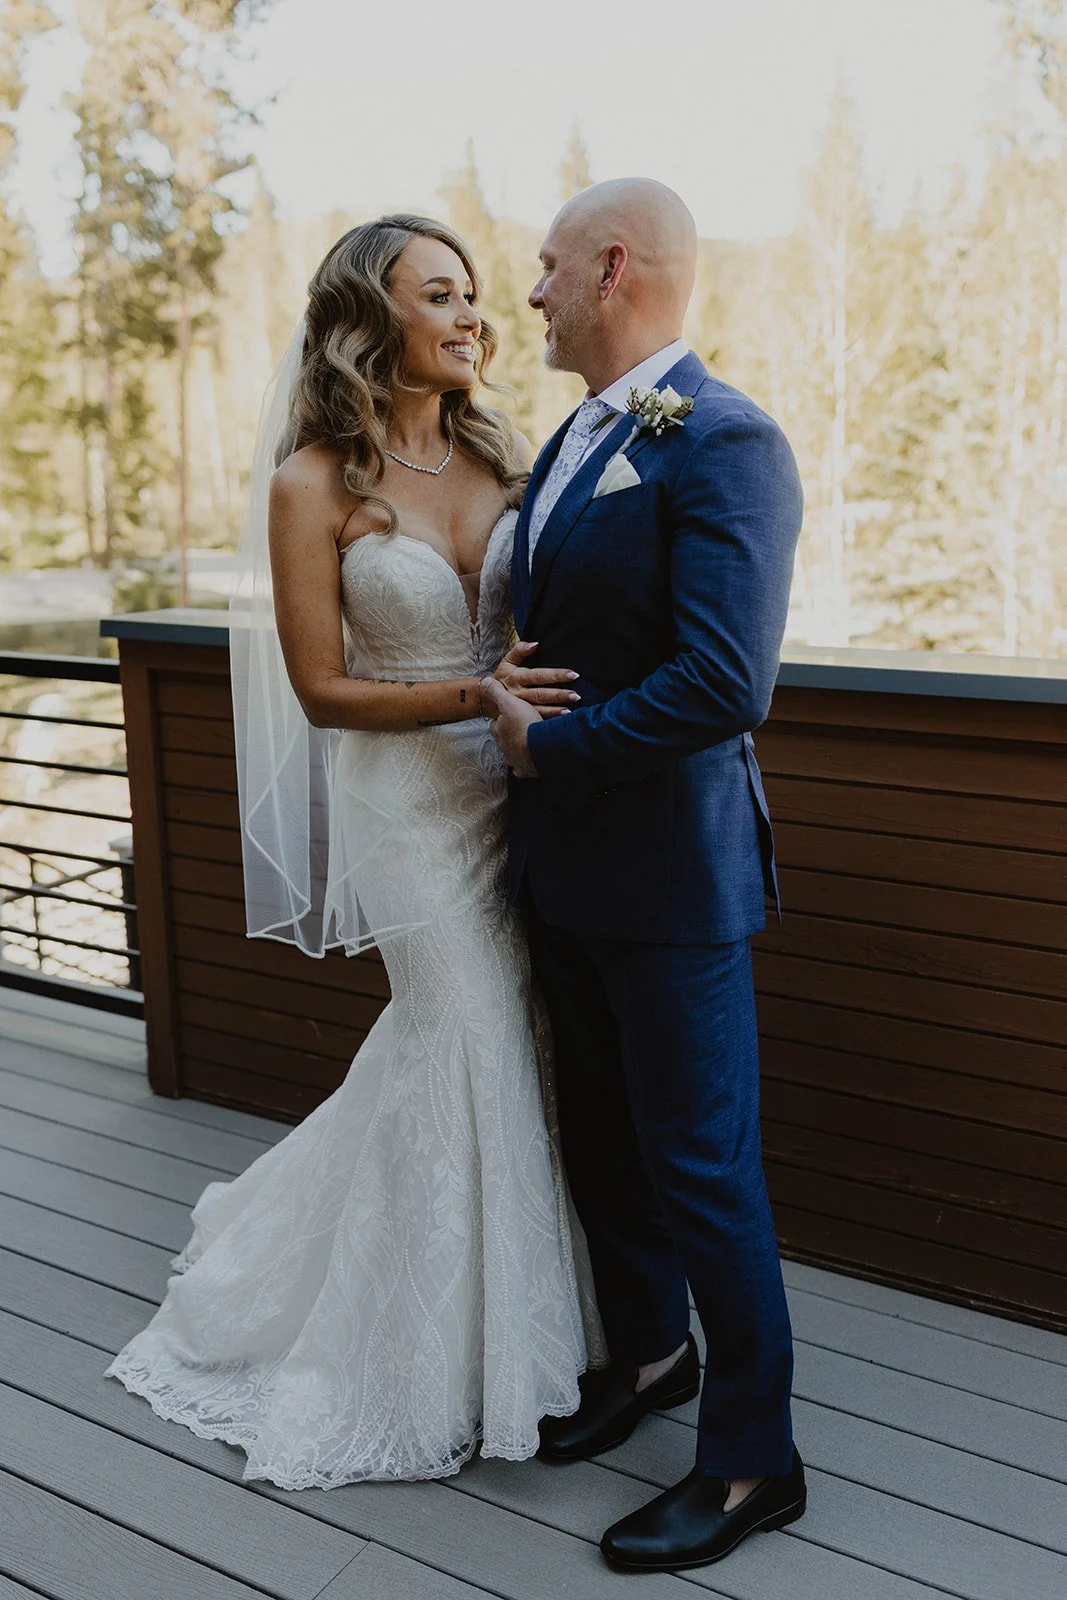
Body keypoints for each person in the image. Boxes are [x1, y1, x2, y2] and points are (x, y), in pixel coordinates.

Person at [105, 214, 605, 1489]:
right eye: (437, 294)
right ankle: (429, 1362)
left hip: (515, 798)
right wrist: (471, 699)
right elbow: (321, 690)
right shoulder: (311, 484)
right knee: (473, 1032)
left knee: (511, 1040)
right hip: (405, 805)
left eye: (474, 293)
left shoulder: (505, 457)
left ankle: (522, 1337)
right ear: (369, 319)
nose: (472, 315)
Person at [483, 178, 806, 1573]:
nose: (531, 290)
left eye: (546, 266)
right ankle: (646, 1360)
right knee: (604, 1144)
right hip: (562, 872)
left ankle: (750, 1461)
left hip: (670, 881)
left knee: (699, 1168)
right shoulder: (569, 439)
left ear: (612, 266)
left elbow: (724, 683)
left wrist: (554, 753)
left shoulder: (723, 439)